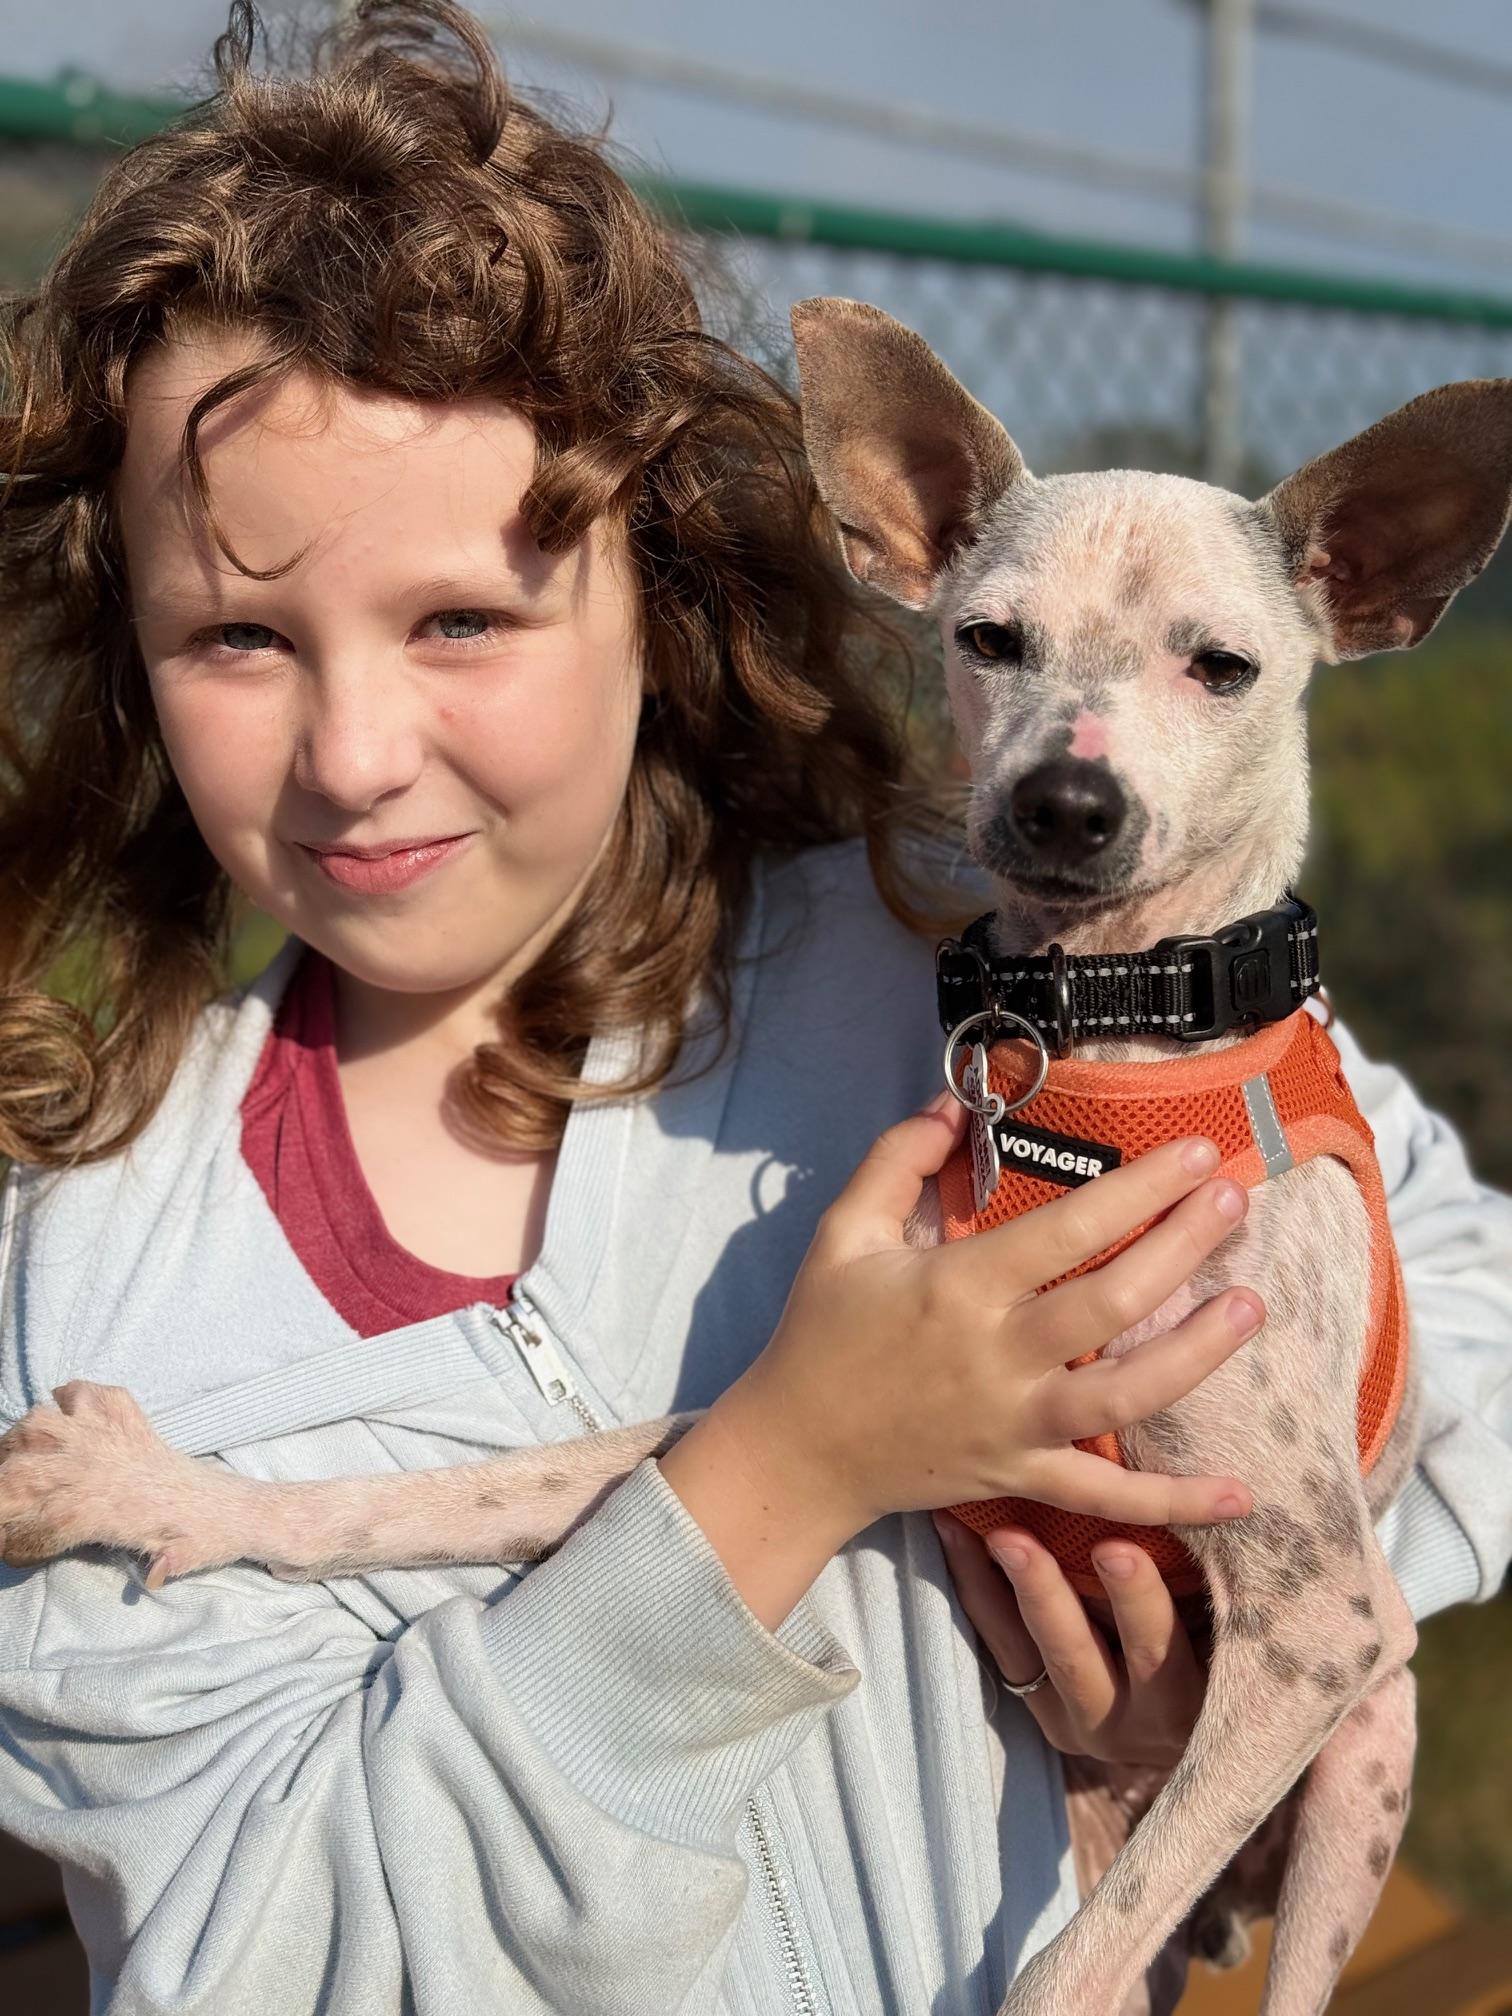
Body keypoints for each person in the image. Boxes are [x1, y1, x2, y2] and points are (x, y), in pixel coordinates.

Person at [0, 6, 1506, 2012]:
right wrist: (785, 1470)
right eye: (240, 635)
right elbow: (270, 1961)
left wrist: (1229, 1679)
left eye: (463, 615)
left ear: (661, 583)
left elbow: (1454, 1278)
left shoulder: (983, 976)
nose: (356, 755)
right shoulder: (101, 1292)